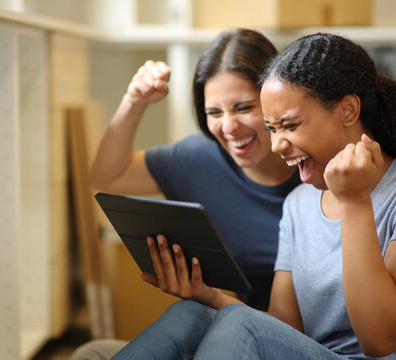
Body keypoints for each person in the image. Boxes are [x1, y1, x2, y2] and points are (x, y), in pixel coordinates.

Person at [110, 32, 396, 359]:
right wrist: (208, 295)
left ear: (348, 110)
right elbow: (283, 328)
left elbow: (381, 340)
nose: (278, 145)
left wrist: (354, 201)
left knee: (242, 322)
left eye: (290, 125)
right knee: (191, 313)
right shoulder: (299, 203)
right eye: (272, 129)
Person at [72, 28, 300, 360]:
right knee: (92, 353)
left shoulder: (317, 176)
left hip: (278, 339)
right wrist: (135, 100)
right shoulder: (201, 159)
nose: (229, 126)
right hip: (231, 328)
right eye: (214, 113)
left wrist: (209, 298)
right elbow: (107, 176)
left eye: (243, 107)